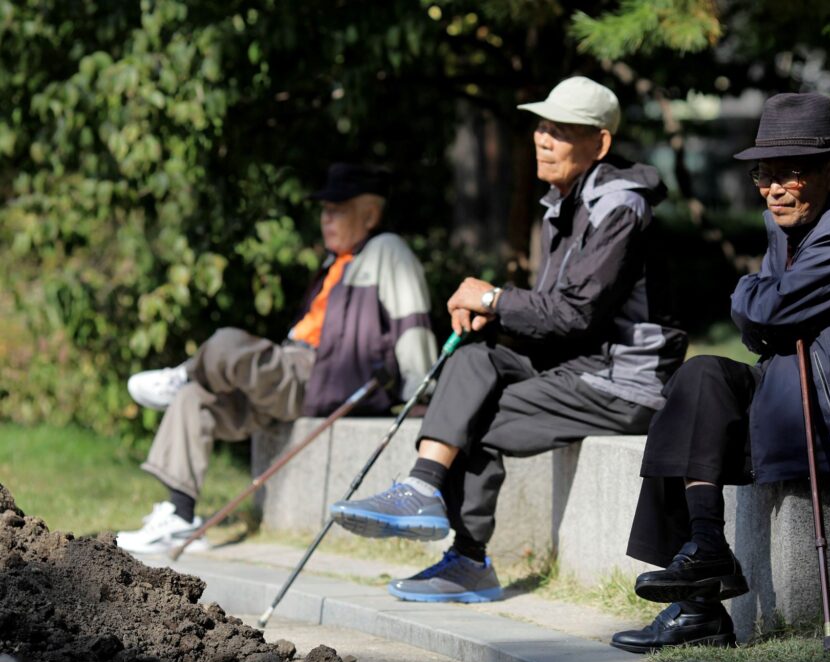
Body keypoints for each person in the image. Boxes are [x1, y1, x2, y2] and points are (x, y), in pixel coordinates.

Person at [329, 76, 687, 603]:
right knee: (474, 360)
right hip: (578, 365)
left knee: (469, 417)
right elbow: (554, 320)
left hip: (625, 381)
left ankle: (468, 556)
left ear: (600, 144)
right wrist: (492, 320)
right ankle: (424, 487)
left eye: (562, 130)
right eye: (542, 126)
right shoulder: (563, 204)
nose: (543, 138)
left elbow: (575, 315)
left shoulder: (619, 208)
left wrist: (494, 299)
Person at [609, 92, 830, 652]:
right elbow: (763, 327)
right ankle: (704, 566)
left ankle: (697, 598)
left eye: (791, 173)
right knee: (698, 378)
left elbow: (767, 311)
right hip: (788, 389)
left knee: (704, 413)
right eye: (763, 174)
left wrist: (752, 295)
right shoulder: (789, 222)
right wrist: (762, 303)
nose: (773, 188)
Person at [116, 162, 438, 554]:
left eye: (337, 209)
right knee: (194, 400)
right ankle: (180, 517)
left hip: (322, 376)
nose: (326, 218)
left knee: (226, 343)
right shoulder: (333, 262)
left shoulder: (387, 250)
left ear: (369, 214)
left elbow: (412, 321)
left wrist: (421, 391)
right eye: (324, 210)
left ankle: (185, 373)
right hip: (293, 370)